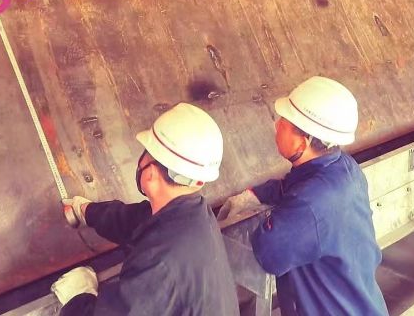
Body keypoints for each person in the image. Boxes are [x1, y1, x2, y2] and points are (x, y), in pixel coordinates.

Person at [218, 76, 388, 316]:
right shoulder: (342, 166)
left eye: (285, 122)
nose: (277, 125)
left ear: (304, 141)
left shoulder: (311, 204)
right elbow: (293, 185)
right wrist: (255, 194)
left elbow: (269, 253)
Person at [51, 103, 239, 315]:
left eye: (146, 153)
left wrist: (78, 296)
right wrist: (86, 211)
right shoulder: (194, 214)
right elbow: (133, 220)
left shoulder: (159, 264)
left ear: (150, 174)